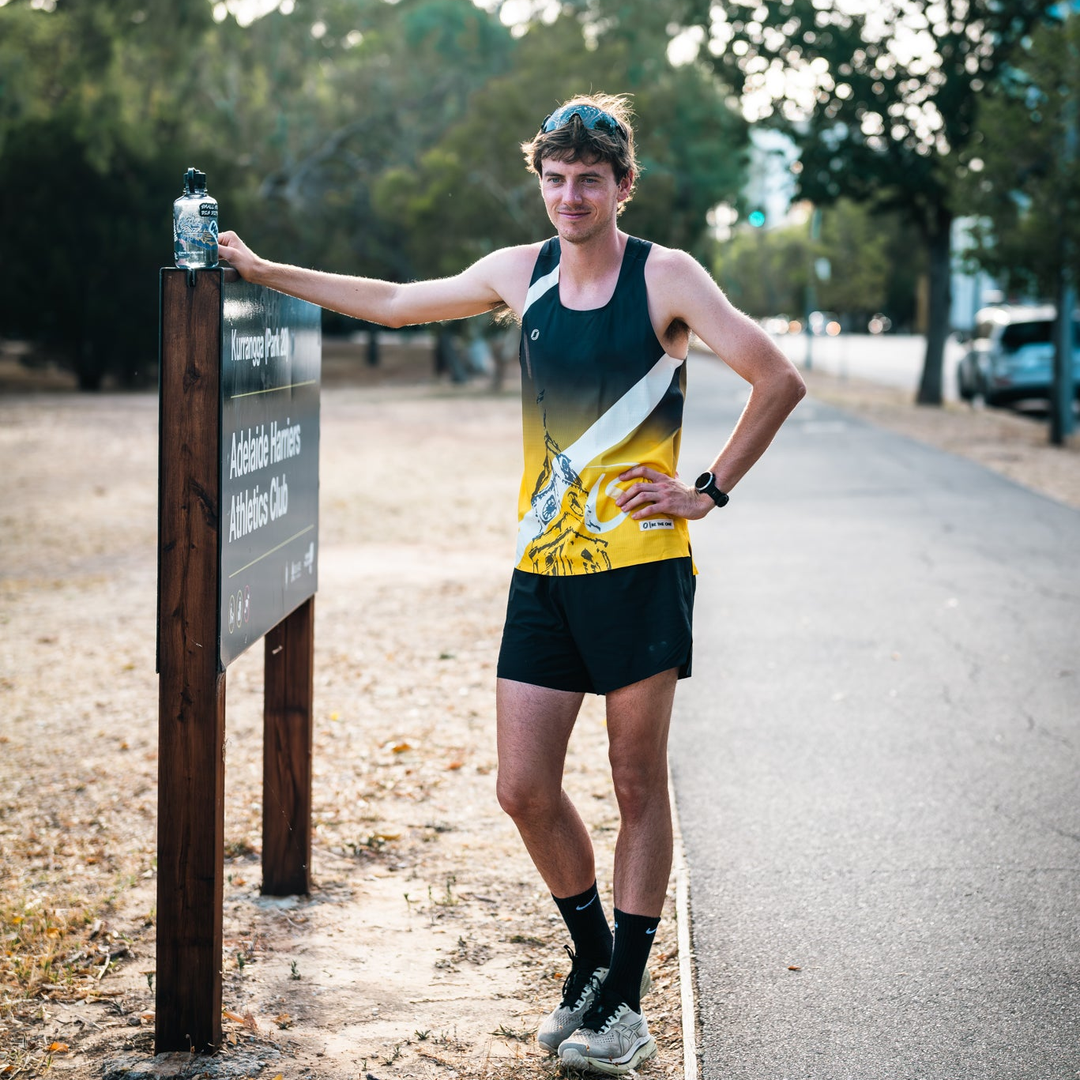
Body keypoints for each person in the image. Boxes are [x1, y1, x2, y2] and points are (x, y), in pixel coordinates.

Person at [219, 91, 805, 1076]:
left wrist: (707, 490)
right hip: (545, 571)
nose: (570, 197)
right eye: (556, 178)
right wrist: (265, 270)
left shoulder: (666, 276)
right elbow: (397, 301)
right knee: (523, 787)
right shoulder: (518, 274)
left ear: (623, 185)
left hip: (639, 575)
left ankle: (624, 1008)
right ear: (540, 179)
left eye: (590, 180)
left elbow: (775, 375)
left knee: (633, 783)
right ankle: (596, 962)